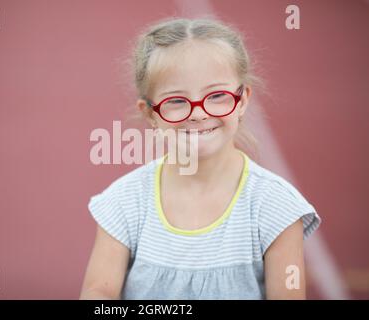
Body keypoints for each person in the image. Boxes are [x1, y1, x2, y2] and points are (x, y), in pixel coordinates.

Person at [80, 17, 321, 300]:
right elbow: (98, 293)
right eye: (177, 101)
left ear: (242, 101)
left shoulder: (275, 206)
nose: (198, 113)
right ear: (150, 114)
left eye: (217, 95)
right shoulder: (125, 201)